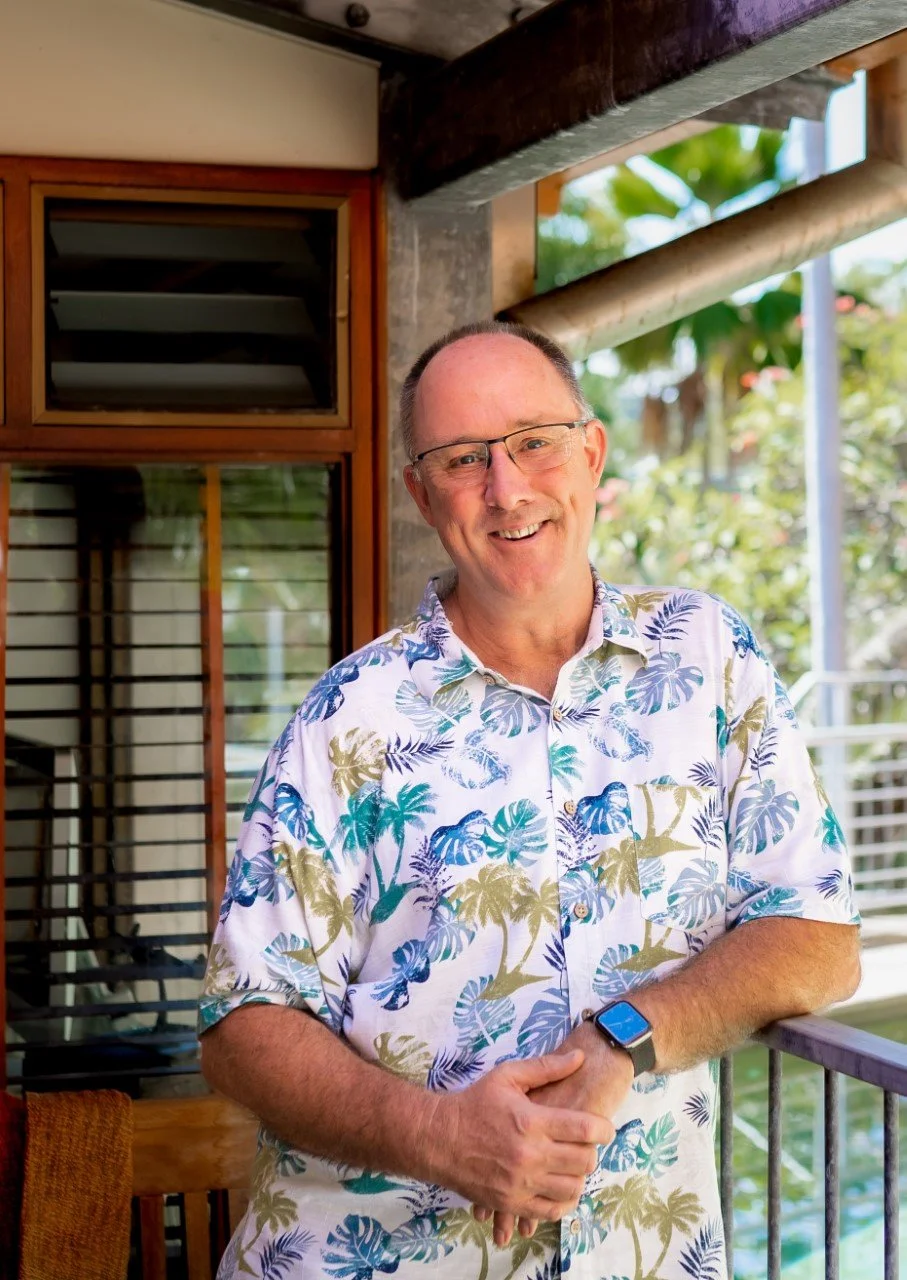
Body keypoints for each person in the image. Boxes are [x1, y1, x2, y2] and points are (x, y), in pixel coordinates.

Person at [199, 320, 860, 1280]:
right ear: (423, 494)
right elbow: (241, 1029)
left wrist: (623, 1040)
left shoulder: (707, 657)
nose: (506, 488)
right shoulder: (348, 715)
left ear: (589, 453)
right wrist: (437, 1136)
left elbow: (815, 930)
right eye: (463, 459)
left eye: (532, 443)